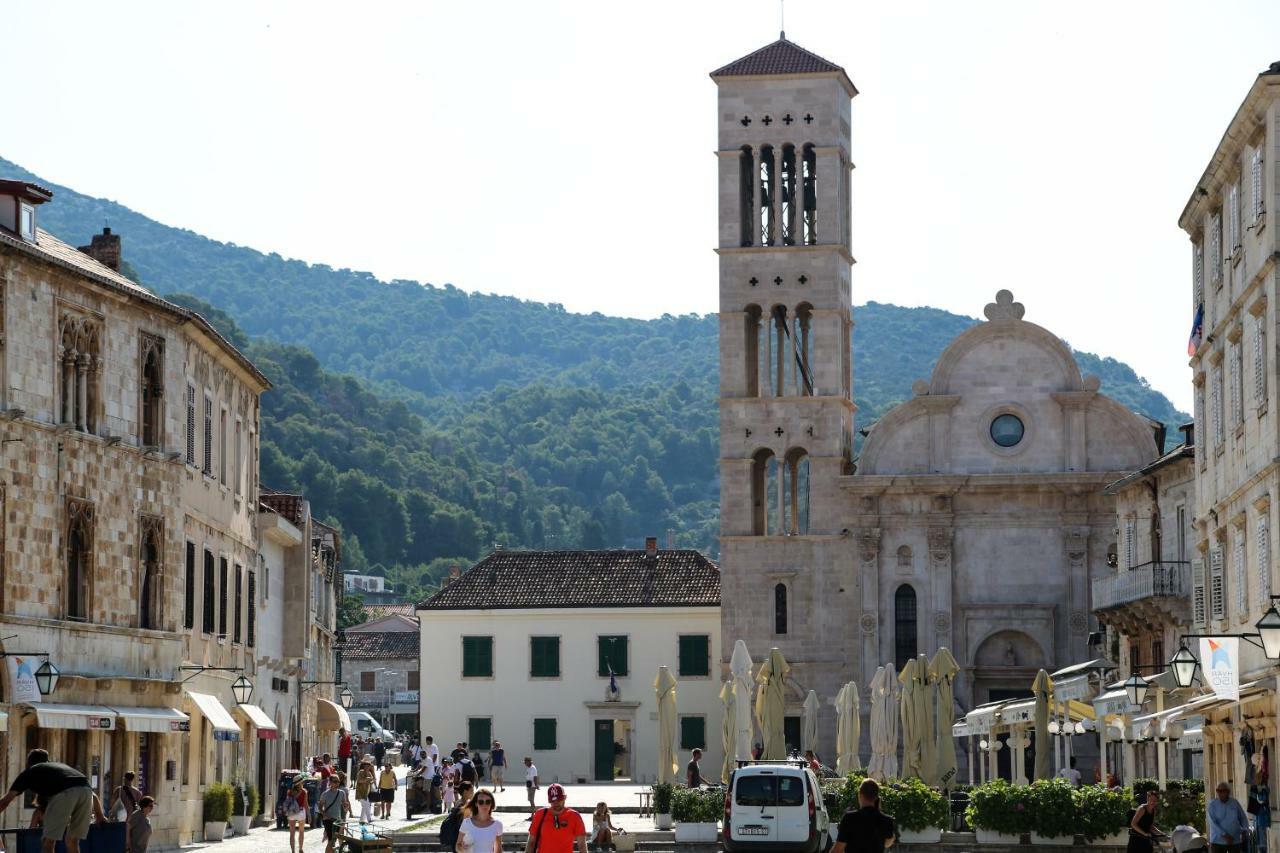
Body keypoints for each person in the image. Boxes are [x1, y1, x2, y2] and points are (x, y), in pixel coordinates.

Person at [0, 749, 108, 853]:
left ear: (29, 763)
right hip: (86, 791)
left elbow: (5, 801)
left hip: (65, 794)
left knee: (48, 842)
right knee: (72, 841)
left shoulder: (30, 772)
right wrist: (99, 816)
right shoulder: (59, 767)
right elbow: (92, 794)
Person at [831, 778, 896, 853]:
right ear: (876, 796)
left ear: (860, 795)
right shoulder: (886, 820)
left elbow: (838, 849)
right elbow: (887, 843)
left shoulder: (850, 818)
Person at [525, 784, 587, 853]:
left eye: (558, 800)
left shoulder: (574, 816)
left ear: (565, 797)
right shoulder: (540, 814)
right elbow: (531, 842)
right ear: (549, 800)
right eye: (553, 801)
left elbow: (582, 846)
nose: (556, 803)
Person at [1208, 783, 1249, 853]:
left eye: (1223, 791)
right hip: (1217, 842)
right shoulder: (1212, 804)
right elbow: (1212, 823)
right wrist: (1225, 835)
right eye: (1218, 791)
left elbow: (1243, 818)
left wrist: (1245, 831)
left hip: (1234, 840)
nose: (1220, 793)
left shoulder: (1234, 803)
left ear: (1228, 792)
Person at [459, 788, 503, 853]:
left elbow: (498, 850)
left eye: (488, 802)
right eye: (481, 802)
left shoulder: (498, 825)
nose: (484, 805)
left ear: (491, 803)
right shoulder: (466, 823)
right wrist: (461, 848)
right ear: (476, 804)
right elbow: (458, 845)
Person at [317, 775, 351, 853]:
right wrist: (324, 814)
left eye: (338, 781)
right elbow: (320, 808)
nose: (337, 783)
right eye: (335, 781)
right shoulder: (325, 794)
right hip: (328, 820)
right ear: (330, 782)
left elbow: (344, 805)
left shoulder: (342, 793)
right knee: (331, 841)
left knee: (333, 841)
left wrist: (346, 806)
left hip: (338, 820)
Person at [283, 775, 309, 853]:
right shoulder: (304, 791)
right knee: (301, 831)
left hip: (291, 813)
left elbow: (287, 802)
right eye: (302, 781)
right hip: (301, 812)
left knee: (292, 833)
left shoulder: (289, 791)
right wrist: (309, 815)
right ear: (300, 782)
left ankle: (293, 851)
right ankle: (300, 849)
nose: (303, 782)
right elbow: (305, 804)